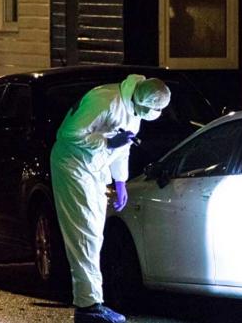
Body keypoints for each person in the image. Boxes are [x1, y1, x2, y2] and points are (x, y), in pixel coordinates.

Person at [51, 74, 171, 323]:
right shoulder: (104, 100)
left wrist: (120, 181)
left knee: (93, 234)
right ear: (142, 101)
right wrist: (106, 141)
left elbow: (122, 147)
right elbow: (69, 135)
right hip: (73, 166)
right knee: (84, 234)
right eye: (153, 109)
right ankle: (88, 306)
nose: (154, 114)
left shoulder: (133, 110)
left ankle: (92, 302)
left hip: (93, 170)